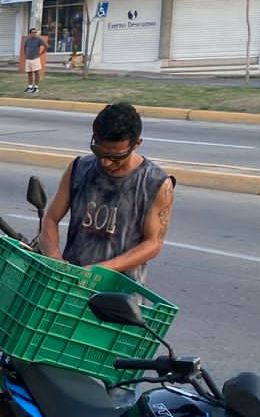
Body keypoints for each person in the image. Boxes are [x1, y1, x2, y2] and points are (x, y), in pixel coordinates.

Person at [36, 101, 175, 285]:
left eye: (116, 157)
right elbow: (51, 219)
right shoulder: (79, 169)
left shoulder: (156, 183)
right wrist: (55, 258)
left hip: (120, 298)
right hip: (72, 287)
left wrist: (105, 269)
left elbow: (153, 243)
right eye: (99, 151)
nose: (106, 163)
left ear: (137, 144)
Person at [21, 27, 47, 95]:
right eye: (33, 32)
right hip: (28, 59)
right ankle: (30, 87)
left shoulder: (38, 39)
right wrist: (25, 55)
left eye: (35, 32)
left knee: (36, 73)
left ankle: (36, 87)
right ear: (30, 33)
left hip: (35, 58)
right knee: (29, 73)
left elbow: (45, 46)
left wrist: (41, 53)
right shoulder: (28, 40)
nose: (34, 34)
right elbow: (25, 47)